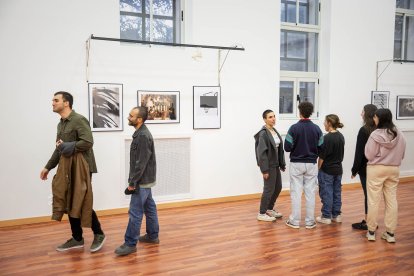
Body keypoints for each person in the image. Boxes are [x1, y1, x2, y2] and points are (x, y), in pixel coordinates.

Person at [40, 91, 106, 252]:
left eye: (56, 100)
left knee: (81, 200)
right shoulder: (61, 123)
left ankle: (99, 234)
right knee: (69, 199)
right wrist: (48, 166)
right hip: (67, 166)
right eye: (52, 100)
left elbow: (88, 142)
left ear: (66, 103)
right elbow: (58, 149)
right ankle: (77, 238)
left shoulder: (78, 120)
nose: (53, 103)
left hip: (82, 167)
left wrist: (66, 146)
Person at [115, 107, 159, 256]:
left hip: (141, 181)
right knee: (150, 208)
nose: (128, 117)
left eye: (131, 116)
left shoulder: (142, 136)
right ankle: (153, 236)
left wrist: (132, 182)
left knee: (135, 212)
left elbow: (140, 163)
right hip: (146, 180)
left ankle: (130, 243)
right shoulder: (141, 133)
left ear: (139, 119)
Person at [365, 108, 406, 243]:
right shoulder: (399, 133)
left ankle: (371, 232)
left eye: (375, 117)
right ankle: (390, 233)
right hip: (394, 169)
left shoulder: (375, 134)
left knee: (373, 200)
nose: (374, 119)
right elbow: (402, 153)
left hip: (376, 169)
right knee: (391, 200)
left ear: (380, 119)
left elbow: (369, 155)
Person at [284, 102, 323, 229]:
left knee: (296, 193)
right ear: (311, 112)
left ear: (299, 112)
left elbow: (287, 147)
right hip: (311, 164)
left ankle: (295, 221)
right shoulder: (317, 129)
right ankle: (310, 222)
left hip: (296, 164)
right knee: (310, 193)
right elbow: (321, 148)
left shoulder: (293, 128)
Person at [254, 110, 286, 222]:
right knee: (268, 189)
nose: (273, 119)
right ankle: (262, 213)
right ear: (264, 119)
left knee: (278, 187)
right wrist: (265, 170)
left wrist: (282, 163)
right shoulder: (263, 133)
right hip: (269, 166)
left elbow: (279, 149)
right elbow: (261, 154)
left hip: (276, 165)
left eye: (274, 116)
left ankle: (269, 208)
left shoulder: (274, 131)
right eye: (270, 117)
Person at [351, 104, 377, 230]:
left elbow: (359, 153)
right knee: (374, 196)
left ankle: (368, 222)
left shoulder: (364, 130)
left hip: (366, 169)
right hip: (379, 167)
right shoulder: (380, 129)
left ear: (367, 114)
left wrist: (354, 170)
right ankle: (372, 221)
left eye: (362, 111)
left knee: (368, 195)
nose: (361, 114)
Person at [316, 114, 345, 224]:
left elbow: (322, 157)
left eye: (324, 121)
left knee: (326, 193)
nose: (323, 123)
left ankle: (326, 216)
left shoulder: (326, 138)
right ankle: (336, 215)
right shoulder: (341, 136)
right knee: (337, 192)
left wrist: (319, 169)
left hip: (327, 170)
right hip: (338, 170)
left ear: (329, 123)